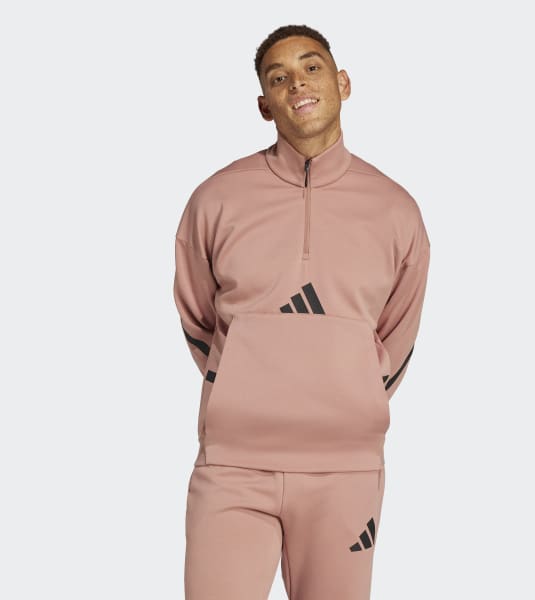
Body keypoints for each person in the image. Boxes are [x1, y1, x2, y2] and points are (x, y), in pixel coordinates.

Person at [173, 23, 431, 600]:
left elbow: (399, 330)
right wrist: (241, 382)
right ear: (264, 105)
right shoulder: (216, 198)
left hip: (346, 471)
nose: (297, 84)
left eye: (312, 68)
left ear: (343, 83)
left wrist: (349, 394)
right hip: (233, 466)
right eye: (278, 77)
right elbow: (197, 315)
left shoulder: (396, 209)